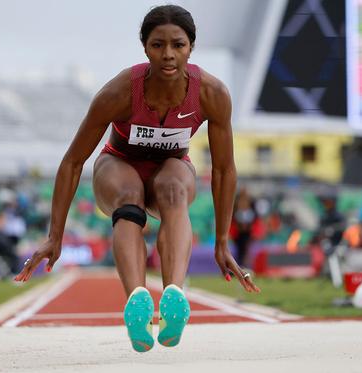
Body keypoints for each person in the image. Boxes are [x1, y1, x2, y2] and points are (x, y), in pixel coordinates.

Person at [15, 4, 260, 352]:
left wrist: (222, 241)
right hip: (118, 164)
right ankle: (138, 301)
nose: (169, 55)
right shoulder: (119, 92)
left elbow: (223, 170)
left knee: (173, 187)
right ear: (145, 47)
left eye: (178, 44)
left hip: (171, 168)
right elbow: (72, 162)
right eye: (158, 45)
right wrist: (55, 236)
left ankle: (174, 294)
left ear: (191, 47)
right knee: (129, 194)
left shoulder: (212, 94)